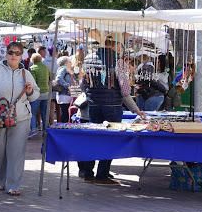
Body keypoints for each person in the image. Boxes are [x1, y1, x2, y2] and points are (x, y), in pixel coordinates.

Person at [79, 41, 145, 185]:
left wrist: (92, 95)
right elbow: (125, 90)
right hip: (113, 106)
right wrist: (135, 109)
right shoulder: (118, 62)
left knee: (94, 138)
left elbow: (83, 84)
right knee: (110, 140)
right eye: (121, 46)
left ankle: (87, 172)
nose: (121, 49)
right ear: (115, 46)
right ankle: (102, 174)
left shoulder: (89, 58)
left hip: (93, 105)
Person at [0, 42, 40, 196]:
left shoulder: (26, 73)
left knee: (16, 152)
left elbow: (35, 94)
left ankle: (13, 184)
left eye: (17, 53)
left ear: (21, 55)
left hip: (20, 117)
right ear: (6, 54)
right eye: (11, 52)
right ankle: (1, 180)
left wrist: (29, 92)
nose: (13, 56)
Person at [29, 53, 50, 137]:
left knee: (32, 112)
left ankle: (33, 129)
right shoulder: (46, 67)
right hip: (46, 93)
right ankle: (45, 130)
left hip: (37, 94)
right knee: (44, 113)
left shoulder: (32, 68)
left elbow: (33, 82)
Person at [55, 56, 73, 123]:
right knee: (65, 114)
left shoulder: (61, 68)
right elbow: (58, 78)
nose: (71, 62)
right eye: (69, 61)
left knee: (65, 113)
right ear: (66, 62)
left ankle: (64, 127)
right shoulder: (64, 68)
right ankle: (63, 128)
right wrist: (67, 86)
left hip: (63, 95)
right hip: (64, 95)